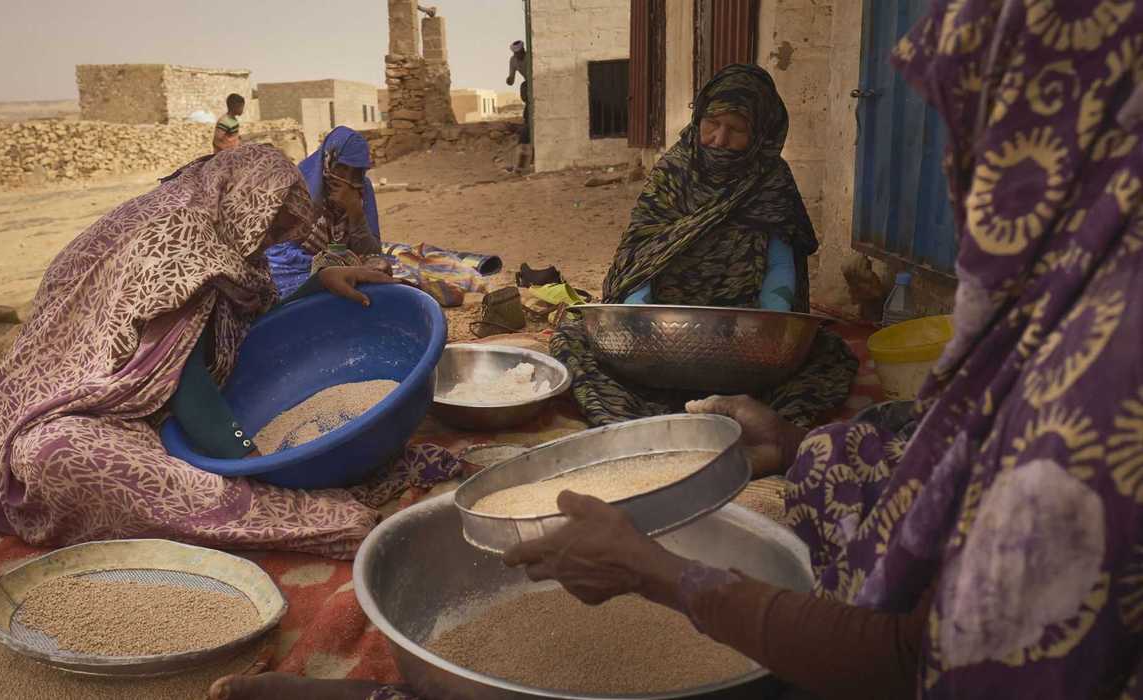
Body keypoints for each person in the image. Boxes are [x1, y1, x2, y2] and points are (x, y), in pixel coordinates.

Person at [210, 0, 1143, 697]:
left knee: (819, 372)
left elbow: (915, 666)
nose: (957, 162)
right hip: (677, 342)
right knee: (810, 430)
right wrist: (790, 442)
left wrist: (658, 573)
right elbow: (635, 269)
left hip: (918, 651)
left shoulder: (1095, 395)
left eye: (972, 124)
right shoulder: (1071, 293)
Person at [0, 144, 460, 556]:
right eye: (270, 225)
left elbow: (246, 326)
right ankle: (275, 514)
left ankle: (227, 481)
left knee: (180, 455)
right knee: (56, 457)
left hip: (152, 405)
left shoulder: (228, 239)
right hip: (75, 407)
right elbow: (187, 380)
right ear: (245, 200)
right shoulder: (177, 241)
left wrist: (320, 281)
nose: (269, 240)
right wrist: (252, 457)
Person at [551, 64, 858, 430]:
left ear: (760, 134)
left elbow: (781, 263)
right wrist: (638, 320)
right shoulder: (675, 170)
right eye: (711, 123)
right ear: (698, 118)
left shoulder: (772, 180)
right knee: (573, 339)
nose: (719, 139)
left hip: (742, 332)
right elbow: (641, 254)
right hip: (662, 327)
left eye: (736, 130)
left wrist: (767, 332)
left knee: (827, 357)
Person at [265, 126, 386, 299]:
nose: (348, 178)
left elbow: (371, 251)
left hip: (346, 263)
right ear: (328, 159)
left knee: (381, 276)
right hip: (298, 267)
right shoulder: (299, 184)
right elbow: (279, 251)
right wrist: (327, 264)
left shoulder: (362, 189)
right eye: (342, 168)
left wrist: (355, 211)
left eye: (356, 171)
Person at [506, 40, 532, 170]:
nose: (519, 55)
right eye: (517, 54)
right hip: (528, 84)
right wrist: (509, 80)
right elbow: (511, 78)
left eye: (521, 53)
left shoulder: (530, 57)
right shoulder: (513, 61)